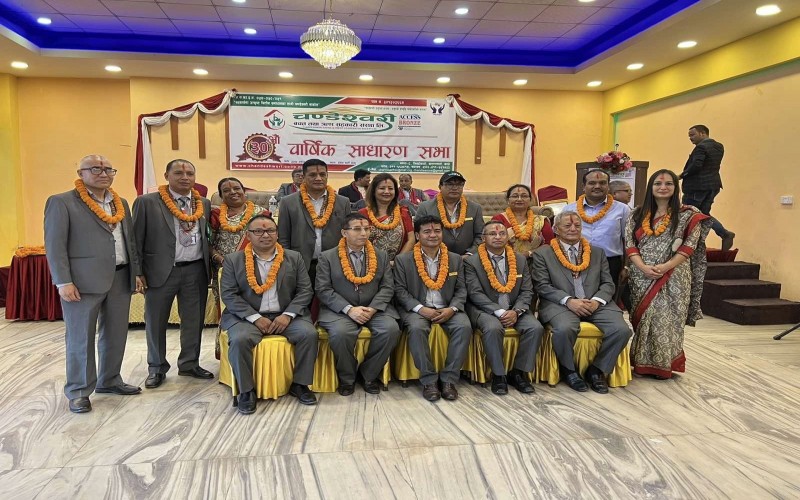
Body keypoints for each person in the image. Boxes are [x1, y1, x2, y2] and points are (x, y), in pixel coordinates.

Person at [44, 155, 144, 413]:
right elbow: (55, 246)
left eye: (108, 169)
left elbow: (129, 241)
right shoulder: (62, 202)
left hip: (120, 276)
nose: (103, 173)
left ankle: (110, 380)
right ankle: (79, 391)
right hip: (82, 282)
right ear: (81, 173)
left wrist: (135, 272)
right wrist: (63, 281)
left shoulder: (120, 203)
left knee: (116, 334)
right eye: (96, 169)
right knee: (80, 338)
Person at [220, 215, 318, 413]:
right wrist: (255, 318)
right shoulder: (233, 260)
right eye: (258, 231)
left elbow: (305, 290)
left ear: (277, 233)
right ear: (248, 235)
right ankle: (246, 391)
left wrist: (288, 315)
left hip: (286, 315)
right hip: (247, 317)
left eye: (270, 230)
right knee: (240, 339)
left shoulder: (294, 258)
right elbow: (229, 295)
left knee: (309, 334)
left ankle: (300, 384)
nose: (265, 235)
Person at [132, 158, 214, 389]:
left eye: (189, 173)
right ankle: (156, 368)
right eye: (178, 173)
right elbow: (135, 240)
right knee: (156, 321)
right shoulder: (147, 203)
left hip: (195, 270)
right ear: (166, 176)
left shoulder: (203, 203)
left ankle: (189, 363)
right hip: (160, 271)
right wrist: (137, 272)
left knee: (194, 321)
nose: (185, 177)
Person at [532, 211, 632, 394]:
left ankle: (596, 370)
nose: (573, 229)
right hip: (560, 304)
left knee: (622, 330)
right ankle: (569, 371)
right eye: (567, 225)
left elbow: (608, 283)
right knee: (564, 329)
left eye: (577, 226)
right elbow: (542, 286)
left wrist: (596, 301)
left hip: (595, 302)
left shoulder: (597, 252)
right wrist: (569, 301)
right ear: (556, 229)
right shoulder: (543, 254)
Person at [625, 169, 712, 379]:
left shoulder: (688, 215)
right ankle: (641, 364)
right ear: (650, 187)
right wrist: (643, 267)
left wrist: (665, 267)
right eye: (658, 183)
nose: (663, 187)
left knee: (667, 319)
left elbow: (689, 246)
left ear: (676, 187)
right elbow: (629, 243)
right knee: (645, 319)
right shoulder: (637, 214)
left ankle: (663, 366)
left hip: (674, 275)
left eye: (668, 184)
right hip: (641, 275)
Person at [315, 213, 401, 395]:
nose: (363, 233)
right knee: (341, 333)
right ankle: (347, 378)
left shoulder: (381, 256)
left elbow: (387, 287)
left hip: (374, 309)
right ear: (344, 233)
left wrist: (373, 308)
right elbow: (323, 289)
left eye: (367, 229)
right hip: (339, 310)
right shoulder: (327, 257)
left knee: (390, 329)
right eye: (357, 229)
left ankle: (368, 374)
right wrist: (349, 309)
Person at [393, 215, 472, 402]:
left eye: (437, 231)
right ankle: (429, 381)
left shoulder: (455, 259)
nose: (433, 235)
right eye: (427, 231)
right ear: (417, 235)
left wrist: (452, 309)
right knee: (417, 328)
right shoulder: (403, 260)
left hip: (448, 308)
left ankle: (449, 380)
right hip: (417, 309)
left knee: (464, 326)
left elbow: (462, 289)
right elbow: (400, 291)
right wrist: (420, 309)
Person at [464, 221, 542, 395]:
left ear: (508, 237)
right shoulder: (472, 262)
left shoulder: (519, 259)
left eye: (502, 234)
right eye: (492, 234)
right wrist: (499, 312)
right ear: (483, 238)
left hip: (516, 308)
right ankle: (498, 375)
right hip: (484, 309)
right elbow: (475, 293)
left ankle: (518, 373)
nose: (498, 237)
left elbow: (527, 290)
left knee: (535, 327)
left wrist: (516, 311)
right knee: (493, 328)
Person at [210, 177, 267, 359]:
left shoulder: (261, 213)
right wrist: (221, 260)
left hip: (256, 270)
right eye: (226, 190)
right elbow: (207, 243)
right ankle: (227, 355)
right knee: (228, 308)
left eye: (236, 188)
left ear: (244, 191)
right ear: (221, 196)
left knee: (255, 306)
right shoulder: (215, 215)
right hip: (224, 270)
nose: (233, 192)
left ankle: (258, 353)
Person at [277, 158, 350, 288]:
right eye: (312, 175)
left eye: (322, 174)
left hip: (334, 264)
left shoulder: (343, 202)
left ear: (327, 176)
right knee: (304, 298)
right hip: (301, 264)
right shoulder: (288, 202)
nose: (318, 178)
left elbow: (348, 235)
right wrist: (288, 263)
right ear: (304, 177)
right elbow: (283, 237)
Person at [564, 169, 630, 289]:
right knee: (579, 296)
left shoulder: (622, 209)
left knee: (607, 297)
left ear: (608, 186)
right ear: (583, 187)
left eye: (602, 183)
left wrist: (626, 266)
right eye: (592, 183)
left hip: (610, 264)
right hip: (576, 261)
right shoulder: (569, 209)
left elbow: (627, 240)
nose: (597, 186)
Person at [680, 124, 735, 250]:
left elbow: (696, 166)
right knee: (703, 214)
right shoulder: (719, 146)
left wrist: (682, 175)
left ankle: (689, 244)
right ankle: (724, 233)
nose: (690, 138)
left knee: (688, 213)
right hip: (713, 185)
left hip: (697, 187)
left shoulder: (701, 147)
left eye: (692, 135)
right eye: (689, 136)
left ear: (702, 133)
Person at [414, 171, 484, 256]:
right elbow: (417, 233)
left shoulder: (475, 208)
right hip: (435, 256)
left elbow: (480, 235)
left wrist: (469, 254)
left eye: (459, 184)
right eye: (450, 184)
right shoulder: (425, 207)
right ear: (440, 186)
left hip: (467, 258)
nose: (455, 188)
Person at [358, 173, 415, 263]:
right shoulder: (363, 214)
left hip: (397, 265)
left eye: (390, 188)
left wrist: (397, 262)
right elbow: (357, 240)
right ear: (373, 191)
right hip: (368, 263)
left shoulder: (403, 212)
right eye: (382, 188)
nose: (387, 192)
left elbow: (411, 239)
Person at [491, 184, 554, 261]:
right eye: (515, 196)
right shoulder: (498, 219)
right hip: (506, 261)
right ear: (508, 200)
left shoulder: (540, 221)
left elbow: (550, 244)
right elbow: (492, 243)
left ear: (530, 200)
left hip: (537, 260)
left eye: (524, 196)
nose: (519, 199)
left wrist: (529, 253)